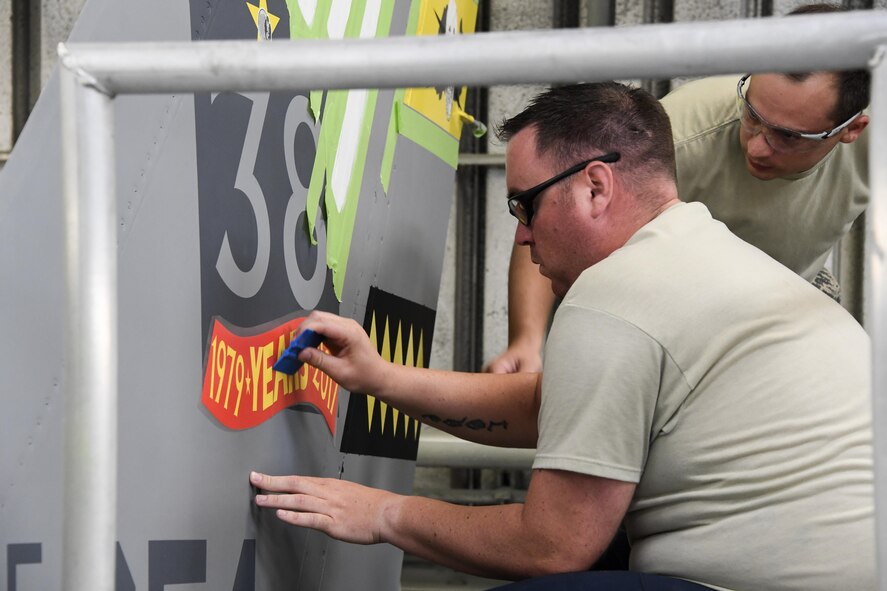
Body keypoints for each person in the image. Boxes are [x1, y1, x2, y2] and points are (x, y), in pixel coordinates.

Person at [250, 82, 874, 590]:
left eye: (526, 205)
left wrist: (384, 512)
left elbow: (552, 548)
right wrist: (382, 378)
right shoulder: (696, 255)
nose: (521, 236)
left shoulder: (617, 295)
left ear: (596, 186)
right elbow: (553, 409)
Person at [485, 3, 870, 375]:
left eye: (787, 136)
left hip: (787, 292)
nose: (755, 145)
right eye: (752, 114)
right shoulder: (678, 135)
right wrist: (527, 341)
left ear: (852, 130)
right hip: (669, 310)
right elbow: (550, 215)